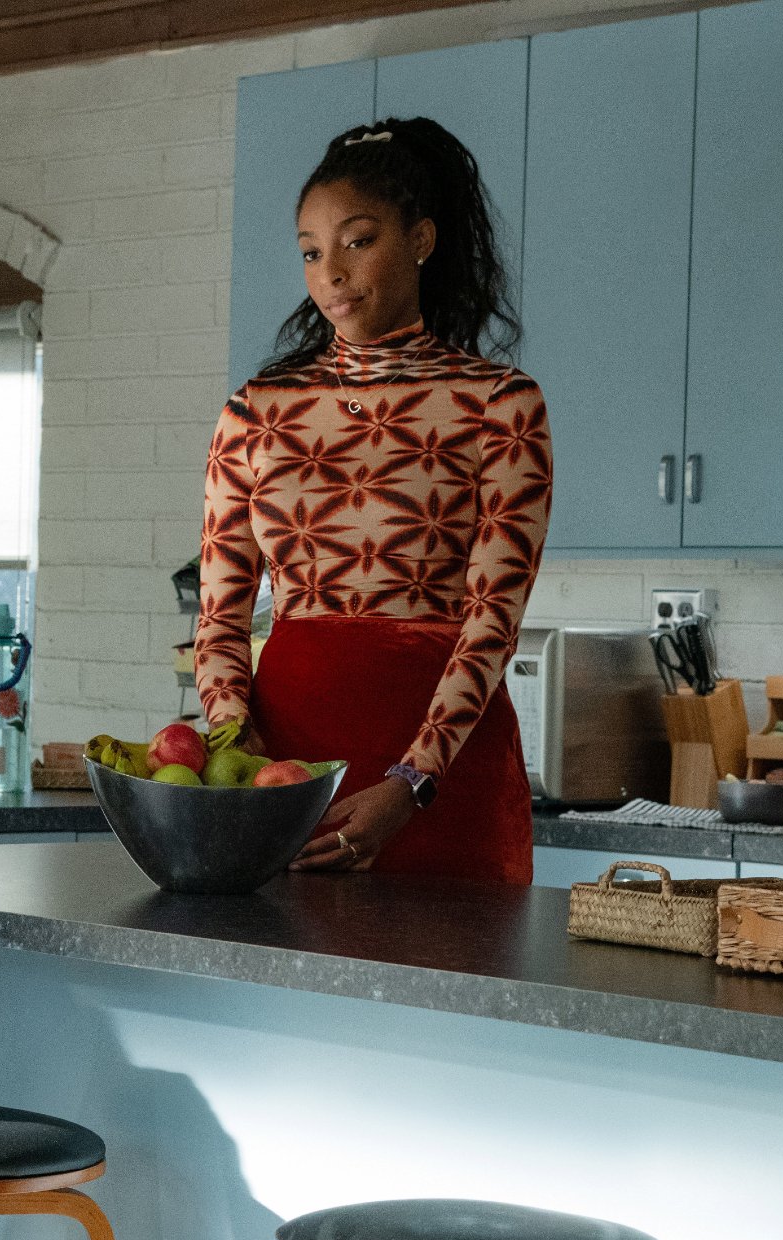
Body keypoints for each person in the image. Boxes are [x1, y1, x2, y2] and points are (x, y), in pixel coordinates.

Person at [195, 116, 552, 884]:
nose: (332, 272)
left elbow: (494, 619)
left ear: (421, 240)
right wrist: (235, 742)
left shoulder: (499, 403)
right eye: (311, 252)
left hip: (445, 777)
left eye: (358, 241)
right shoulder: (254, 412)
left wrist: (411, 783)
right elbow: (220, 619)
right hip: (290, 781)